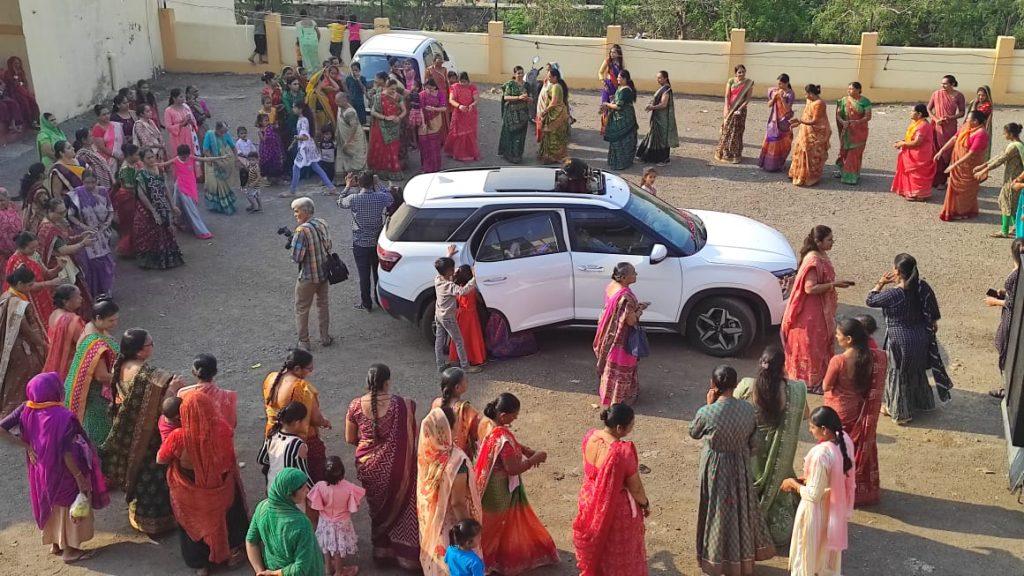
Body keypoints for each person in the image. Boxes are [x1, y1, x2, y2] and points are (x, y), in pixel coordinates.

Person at [0, 372, 109, 563]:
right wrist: (79, 477)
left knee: (51, 502)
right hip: (65, 471)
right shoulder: (63, 417)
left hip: (40, 469)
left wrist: (26, 446)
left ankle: (56, 543)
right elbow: (66, 453)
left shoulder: (26, 408)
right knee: (70, 504)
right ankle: (71, 551)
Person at [690, 365, 776, 575]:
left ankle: (715, 559)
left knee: (716, 510)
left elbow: (694, 432)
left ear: (713, 384)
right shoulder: (748, 409)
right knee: (740, 510)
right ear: (736, 385)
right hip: (740, 466)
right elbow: (755, 444)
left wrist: (708, 404)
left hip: (715, 468)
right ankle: (741, 559)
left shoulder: (707, 412)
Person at [101, 328, 182, 535]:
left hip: (127, 430)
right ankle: (160, 522)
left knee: (137, 474)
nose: (153, 346)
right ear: (139, 352)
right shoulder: (149, 376)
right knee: (154, 474)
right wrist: (172, 389)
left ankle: (139, 517)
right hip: (148, 436)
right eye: (149, 343)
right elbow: (164, 407)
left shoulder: (120, 365)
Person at [156, 392, 248, 575]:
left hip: (190, 492)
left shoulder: (178, 437)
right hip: (221, 488)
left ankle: (201, 565)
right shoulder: (222, 428)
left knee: (192, 524)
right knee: (228, 515)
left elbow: (161, 459)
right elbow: (229, 458)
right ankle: (231, 552)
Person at [344, 363, 421, 570]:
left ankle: (381, 551)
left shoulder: (355, 405)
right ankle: (407, 557)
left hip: (369, 467)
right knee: (405, 509)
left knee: (377, 509)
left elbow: (350, 438)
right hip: (398, 468)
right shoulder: (403, 405)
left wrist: (372, 446)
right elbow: (413, 436)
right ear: (387, 382)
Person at [474, 393, 558, 574]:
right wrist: (534, 458)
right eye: (514, 415)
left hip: (487, 484)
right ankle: (487, 562)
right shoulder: (502, 437)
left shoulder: (487, 425)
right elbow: (512, 468)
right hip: (498, 489)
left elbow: (513, 444)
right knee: (496, 525)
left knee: (493, 525)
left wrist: (526, 451)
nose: (516, 418)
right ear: (503, 416)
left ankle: (490, 558)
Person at [735, 346, 807, 548]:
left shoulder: (748, 386)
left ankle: (745, 528)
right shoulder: (795, 390)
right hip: (779, 456)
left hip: (751, 452)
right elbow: (807, 414)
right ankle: (775, 530)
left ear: (761, 364)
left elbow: (733, 406)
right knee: (781, 485)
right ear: (783, 366)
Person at [868, 254, 950, 425]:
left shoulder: (894, 294)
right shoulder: (922, 286)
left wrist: (880, 283)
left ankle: (899, 411)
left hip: (899, 341)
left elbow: (870, 300)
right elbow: (933, 311)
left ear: (897, 271)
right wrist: (932, 324)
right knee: (916, 371)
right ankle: (922, 403)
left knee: (897, 374)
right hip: (920, 338)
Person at [572, 403, 648, 575]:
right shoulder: (622, 452)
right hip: (613, 507)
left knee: (599, 542)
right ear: (620, 428)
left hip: (589, 498)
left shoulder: (590, 436)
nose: (632, 428)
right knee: (618, 548)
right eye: (631, 425)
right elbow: (635, 487)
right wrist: (644, 504)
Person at [782, 406, 855, 576]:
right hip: (832, 511)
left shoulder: (821, 454)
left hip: (815, 513)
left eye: (812, 427)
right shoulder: (844, 440)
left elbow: (814, 494)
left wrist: (792, 483)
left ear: (824, 429)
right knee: (824, 559)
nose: (810, 430)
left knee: (808, 557)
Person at [782, 225, 855, 393]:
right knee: (811, 346)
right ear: (818, 242)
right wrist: (834, 285)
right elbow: (809, 288)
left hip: (821, 310)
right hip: (811, 313)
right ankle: (809, 383)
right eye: (829, 240)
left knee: (821, 343)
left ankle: (820, 378)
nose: (832, 242)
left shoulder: (821, 254)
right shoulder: (813, 261)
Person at [822, 317, 886, 507]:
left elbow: (826, 385)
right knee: (856, 449)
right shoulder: (875, 357)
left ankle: (836, 489)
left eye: (838, 335)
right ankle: (860, 489)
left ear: (849, 339)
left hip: (839, 412)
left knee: (836, 451)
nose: (835, 337)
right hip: (860, 411)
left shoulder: (839, 361)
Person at [416, 406, 483, 576]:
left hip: (433, 519)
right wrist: (469, 532)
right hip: (452, 523)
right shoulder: (455, 462)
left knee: (445, 561)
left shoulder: (428, 453)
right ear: (448, 428)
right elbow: (458, 503)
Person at [262, 348, 330, 481]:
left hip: (273, 435)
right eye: (309, 369)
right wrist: (325, 422)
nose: (311, 372)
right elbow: (315, 419)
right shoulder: (301, 387)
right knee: (312, 475)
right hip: (299, 439)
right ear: (298, 368)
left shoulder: (271, 378)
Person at [245, 468, 325, 576]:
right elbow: (300, 569)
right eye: (302, 488)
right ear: (289, 494)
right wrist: (274, 574)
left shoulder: (262, 508)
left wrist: (261, 572)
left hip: (272, 567)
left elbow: (251, 542)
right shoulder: (301, 524)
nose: (307, 490)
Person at [63, 298, 120, 444]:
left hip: (94, 390)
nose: (115, 324)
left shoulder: (91, 327)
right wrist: (127, 378)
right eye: (111, 321)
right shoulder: (94, 342)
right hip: (95, 394)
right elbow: (101, 376)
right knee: (100, 430)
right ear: (98, 318)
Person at [338, 172, 393, 312]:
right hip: (376, 241)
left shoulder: (354, 198)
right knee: (377, 273)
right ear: (372, 183)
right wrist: (378, 184)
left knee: (364, 275)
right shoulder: (380, 197)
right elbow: (391, 198)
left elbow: (340, 201)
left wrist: (347, 186)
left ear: (359, 183)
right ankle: (380, 300)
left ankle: (366, 303)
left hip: (360, 242)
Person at [594, 262, 647, 406]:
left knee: (610, 365)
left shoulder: (611, 286)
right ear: (624, 277)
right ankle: (620, 398)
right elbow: (630, 321)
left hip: (608, 334)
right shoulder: (626, 297)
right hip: (621, 337)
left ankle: (607, 393)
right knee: (622, 366)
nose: (636, 275)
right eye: (633, 273)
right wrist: (640, 309)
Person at [36, 199, 95, 320]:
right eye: (60, 213)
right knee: (70, 298)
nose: (63, 215)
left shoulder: (53, 223)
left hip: (63, 266)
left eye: (64, 212)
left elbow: (66, 239)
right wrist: (83, 244)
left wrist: (79, 237)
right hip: (60, 270)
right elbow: (62, 250)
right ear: (50, 211)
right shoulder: (48, 229)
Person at [0, 267, 47, 414]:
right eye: (29, 285)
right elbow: (26, 330)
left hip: (12, 347)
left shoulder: (6, 295)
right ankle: (15, 414)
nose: (31, 288)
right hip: (19, 350)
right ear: (20, 284)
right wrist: (43, 344)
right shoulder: (17, 303)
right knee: (23, 379)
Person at [308, 456, 365, 576]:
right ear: (342, 472)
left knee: (327, 546)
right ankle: (339, 572)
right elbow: (356, 505)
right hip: (342, 523)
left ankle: (328, 569)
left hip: (325, 522)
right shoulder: (349, 487)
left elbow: (312, 503)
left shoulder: (319, 486)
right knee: (338, 549)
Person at [289, 196, 334, 349]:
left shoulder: (301, 231)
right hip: (324, 272)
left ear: (305, 212)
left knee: (302, 308)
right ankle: (325, 337)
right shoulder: (322, 223)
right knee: (323, 304)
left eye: (296, 211)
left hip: (308, 276)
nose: (295, 215)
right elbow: (329, 244)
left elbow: (296, 257)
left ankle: (304, 341)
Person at [134, 148, 185, 270]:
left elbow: (165, 188)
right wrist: (153, 211)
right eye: (148, 158)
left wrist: (172, 206)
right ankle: (152, 261)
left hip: (162, 206)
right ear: (142, 160)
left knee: (166, 231)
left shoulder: (159, 170)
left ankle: (167, 258)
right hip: (149, 209)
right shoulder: (141, 175)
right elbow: (142, 195)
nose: (152, 159)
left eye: (153, 157)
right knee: (152, 234)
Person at [67, 171, 116, 297]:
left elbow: (110, 210)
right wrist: (84, 227)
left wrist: (107, 223)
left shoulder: (103, 192)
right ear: (82, 182)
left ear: (97, 181)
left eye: (93, 182)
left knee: (106, 263)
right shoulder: (77, 194)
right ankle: (94, 292)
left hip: (102, 233)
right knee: (91, 265)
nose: (90, 185)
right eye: (87, 183)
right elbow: (71, 215)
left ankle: (107, 290)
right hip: (86, 234)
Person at [434, 246, 482, 373]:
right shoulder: (449, 285)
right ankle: (466, 367)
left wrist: (448, 255)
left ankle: (440, 365)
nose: (455, 271)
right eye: (453, 269)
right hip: (448, 317)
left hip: (438, 314)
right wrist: (474, 278)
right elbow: (463, 291)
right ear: (449, 271)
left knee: (439, 340)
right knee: (459, 341)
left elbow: (443, 268)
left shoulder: (438, 278)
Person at [4, 231, 63, 328]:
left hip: (42, 295)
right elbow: (28, 286)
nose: (35, 250)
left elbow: (47, 273)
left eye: (36, 247)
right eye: (31, 248)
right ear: (21, 247)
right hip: (30, 301)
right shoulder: (17, 262)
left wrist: (59, 268)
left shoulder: (34, 255)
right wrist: (50, 283)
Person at [937, 109, 989, 221]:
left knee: (966, 191)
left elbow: (971, 154)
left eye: (969, 118)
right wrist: (941, 151)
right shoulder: (966, 128)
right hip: (958, 164)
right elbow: (954, 138)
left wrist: (954, 165)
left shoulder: (981, 134)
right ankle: (953, 210)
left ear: (975, 121)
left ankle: (964, 211)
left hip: (969, 167)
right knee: (954, 189)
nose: (966, 120)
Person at [988, 238, 1023, 400]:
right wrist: (1004, 291)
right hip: (1013, 317)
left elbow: (1013, 302)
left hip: (1011, 318)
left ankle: (1006, 389)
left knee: (1005, 349)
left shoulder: (1018, 274)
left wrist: (995, 301)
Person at [976, 122, 1024, 237]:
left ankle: (1004, 230)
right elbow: (999, 156)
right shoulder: (1018, 144)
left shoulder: (1014, 147)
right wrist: (983, 165)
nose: (1003, 135)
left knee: (1006, 202)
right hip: (1014, 178)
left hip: (1013, 179)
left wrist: (983, 170)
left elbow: (1000, 160)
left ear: (1011, 134)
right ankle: (1016, 227)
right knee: (1013, 204)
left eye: (1005, 133)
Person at [165, 144, 216, 240]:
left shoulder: (191, 158)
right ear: (179, 155)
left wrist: (220, 158)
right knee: (191, 209)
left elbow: (205, 159)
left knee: (179, 205)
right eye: (182, 156)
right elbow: (164, 164)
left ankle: (179, 222)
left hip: (188, 186)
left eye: (186, 156)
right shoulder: (176, 160)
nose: (184, 158)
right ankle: (201, 231)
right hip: (181, 186)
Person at [258, 401, 313, 488]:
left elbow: (261, 459)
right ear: (297, 423)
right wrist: (315, 493)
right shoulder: (297, 444)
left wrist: (277, 463)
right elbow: (303, 475)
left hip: (272, 489)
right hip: (288, 494)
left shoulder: (272, 434)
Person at [288, 103, 338, 197]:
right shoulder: (304, 119)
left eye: (294, 107)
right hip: (309, 146)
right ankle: (332, 188)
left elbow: (305, 136)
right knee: (315, 167)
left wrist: (296, 137)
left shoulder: (303, 120)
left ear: (300, 109)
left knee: (296, 167)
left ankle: (292, 191)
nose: (293, 109)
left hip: (305, 147)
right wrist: (293, 143)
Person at [176, 353, 238, 430]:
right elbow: (232, 424)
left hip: (192, 439)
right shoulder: (228, 396)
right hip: (220, 440)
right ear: (215, 372)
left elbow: (178, 420)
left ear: (193, 372)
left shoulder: (183, 393)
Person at [891, 104, 938, 201]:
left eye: (912, 111)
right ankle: (911, 192)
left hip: (920, 154)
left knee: (917, 174)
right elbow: (911, 137)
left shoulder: (923, 125)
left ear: (919, 114)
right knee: (911, 173)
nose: (910, 113)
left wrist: (902, 144)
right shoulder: (915, 123)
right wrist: (902, 141)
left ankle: (920, 194)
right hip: (912, 152)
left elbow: (917, 142)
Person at [789, 84, 832, 186]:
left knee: (811, 153)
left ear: (811, 94)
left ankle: (810, 177)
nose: (805, 95)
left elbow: (815, 120)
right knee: (799, 150)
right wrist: (798, 123)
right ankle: (798, 175)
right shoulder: (809, 101)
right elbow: (806, 115)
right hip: (805, 130)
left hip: (816, 132)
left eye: (806, 93)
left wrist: (799, 121)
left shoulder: (819, 104)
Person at [928, 75, 966, 188]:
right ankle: (933, 179)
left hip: (950, 127)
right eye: (942, 83)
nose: (942, 86)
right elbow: (928, 109)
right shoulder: (936, 94)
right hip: (937, 127)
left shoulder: (959, 96)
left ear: (952, 84)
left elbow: (962, 112)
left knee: (947, 152)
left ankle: (942, 181)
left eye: (945, 84)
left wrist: (950, 117)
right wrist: (935, 119)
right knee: (935, 151)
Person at [42, 285, 85, 380]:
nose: (81, 298)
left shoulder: (54, 314)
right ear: (65, 301)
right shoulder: (72, 320)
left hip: (56, 362)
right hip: (72, 366)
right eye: (77, 296)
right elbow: (84, 345)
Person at [637, 70, 679, 167]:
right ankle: (650, 157)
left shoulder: (666, 90)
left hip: (663, 118)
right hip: (657, 117)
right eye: (657, 78)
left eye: (660, 78)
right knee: (653, 135)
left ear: (665, 78)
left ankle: (664, 159)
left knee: (662, 138)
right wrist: (651, 104)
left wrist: (652, 107)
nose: (658, 80)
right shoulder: (662, 88)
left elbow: (663, 104)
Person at [833, 81, 872, 184]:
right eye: (848, 88)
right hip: (846, 131)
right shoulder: (843, 100)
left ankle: (850, 177)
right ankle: (843, 171)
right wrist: (843, 122)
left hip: (859, 132)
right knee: (844, 152)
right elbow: (838, 115)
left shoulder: (865, 102)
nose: (849, 91)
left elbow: (868, 117)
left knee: (854, 153)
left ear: (858, 90)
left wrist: (856, 122)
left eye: (852, 89)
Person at [756, 73, 796, 172]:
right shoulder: (774, 91)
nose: (779, 86)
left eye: (781, 84)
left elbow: (788, 109)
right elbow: (769, 105)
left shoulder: (790, 94)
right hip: (773, 121)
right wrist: (774, 98)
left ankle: (779, 164)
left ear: (787, 83)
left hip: (784, 122)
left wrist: (782, 98)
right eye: (778, 84)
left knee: (784, 143)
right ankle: (769, 164)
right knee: (771, 142)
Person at [448, 265, 486, 367]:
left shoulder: (457, 288)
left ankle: (457, 358)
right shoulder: (472, 289)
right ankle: (474, 357)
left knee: (460, 338)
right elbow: (480, 301)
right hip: (471, 316)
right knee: (472, 337)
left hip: (460, 315)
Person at [715, 65, 754, 164]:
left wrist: (740, 109)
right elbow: (727, 95)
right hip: (730, 109)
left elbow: (747, 99)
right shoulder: (731, 81)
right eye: (739, 72)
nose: (742, 74)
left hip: (740, 111)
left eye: (743, 72)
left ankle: (735, 155)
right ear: (735, 73)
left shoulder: (749, 83)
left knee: (736, 132)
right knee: (726, 130)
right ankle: (723, 153)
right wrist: (726, 108)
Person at [602, 70, 638, 171]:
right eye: (618, 77)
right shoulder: (620, 88)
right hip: (619, 117)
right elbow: (617, 101)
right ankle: (616, 161)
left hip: (624, 118)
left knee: (622, 139)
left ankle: (622, 162)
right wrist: (612, 100)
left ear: (625, 79)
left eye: (619, 77)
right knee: (618, 139)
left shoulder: (626, 90)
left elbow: (618, 106)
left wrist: (607, 104)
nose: (617, 79)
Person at [200, 122, 239, 215]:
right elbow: (205, 151)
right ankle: (218, 206)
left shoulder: (226, 134)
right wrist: (217, 161)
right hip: (211, 162)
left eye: (224, 132)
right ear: (216, 129)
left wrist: (236, 159)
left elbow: (234, 147)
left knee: (223, 183)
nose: (223, 134)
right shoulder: (209, 134)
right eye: (221, 132)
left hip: (223, 161)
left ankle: (224, 205)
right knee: (214, 184)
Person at [498, 66, 532, 164]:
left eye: (522, 73)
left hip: (523, 114)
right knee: (511, 134)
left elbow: (531, 98)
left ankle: (518, 155)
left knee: (520, 136)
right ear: (514, 74)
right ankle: (509, 155)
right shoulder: (511, 84)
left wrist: (529, 99)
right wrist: (519, 97)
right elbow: (506, 97)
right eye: (518, 73)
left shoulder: (527, 85)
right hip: (511, 114)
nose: (520, 75)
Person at [164, 88, 200, 176]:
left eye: (183, 96)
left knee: (190, 155)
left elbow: (193, 120)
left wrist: (191, 122)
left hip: (188, 135)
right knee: (179, 156)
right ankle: (180, 177)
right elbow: (168, 127)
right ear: (174, 98)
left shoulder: (186, 107)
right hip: (177, 137)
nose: (183, 98)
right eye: (180, 97)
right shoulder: (168, 111)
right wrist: (181, 124)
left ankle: (191, 175)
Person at [445, 72, 480, 162]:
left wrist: (472, 104)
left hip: (469, 113)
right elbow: (451, 99)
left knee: (469, 133)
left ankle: (469, 153)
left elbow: (476, 99)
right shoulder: (454, 87)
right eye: (461, 81)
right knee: (457, 132)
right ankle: (456, 153)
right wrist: (459, 106)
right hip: (458, 113)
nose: (463, 84)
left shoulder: (472, 87)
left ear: (468, 80)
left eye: (465, 81)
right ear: (458, 80)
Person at [418, 79, 447, 172]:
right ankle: (426, 167)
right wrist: (423, 123)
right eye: (426, 87)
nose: (428, 90)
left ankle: (435, 167)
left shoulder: (440, 94)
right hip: (422, 121)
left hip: (435, 120)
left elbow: (444, 108)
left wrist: (434, 109)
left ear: (435, 86)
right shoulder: (422, 94)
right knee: (424, 144)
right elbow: (421, 109)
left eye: (430, 88)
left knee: (434, 145)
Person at [335, 93, 367, 176]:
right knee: (345, 157)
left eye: (338, 101)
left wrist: (348, 141)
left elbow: (354, 127)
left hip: (354, 139)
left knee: (356, 158)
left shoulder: (350, 113)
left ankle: (359, 179)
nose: (336, 103)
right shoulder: (340, 108)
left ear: (345, 100)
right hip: (344, 137)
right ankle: (348, 178)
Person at [89, 104, 124, 176]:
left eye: (108, 113)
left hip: (121, 155)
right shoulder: (97, 129)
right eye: (104, 114)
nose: (107, 116)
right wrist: (116, 156)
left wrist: (122, 154)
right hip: (107, 159)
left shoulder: (115, 125)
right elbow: (102, 148)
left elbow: (121, 140)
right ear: (98, 117)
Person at [235, 126, 262, 213]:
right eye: (241, 133)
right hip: (244, 159)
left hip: (253, 183)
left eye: (244, 133)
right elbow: (238, 152)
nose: (243, 135)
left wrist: (254, 182)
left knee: (250, 195)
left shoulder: (249, 141)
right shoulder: (238, 143)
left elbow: (253, 149)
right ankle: (258, 206)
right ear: (238, 135)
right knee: (243, 173)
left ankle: (254, 207)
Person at [598, 45, 624, 134]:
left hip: (617, 87)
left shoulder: (621, 63)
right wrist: (603, 82)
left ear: (618, 54)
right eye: (611, 52)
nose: (612, 54)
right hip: (608, 86)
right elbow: (600, 72)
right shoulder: (608, 61)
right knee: (605, 106)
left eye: (614, 52)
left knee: (615, 107)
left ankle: (613, 128)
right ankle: (604, 128)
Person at [257, 112, 285, 185]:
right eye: (265, 120)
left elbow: (276, 130)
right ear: (260, 122)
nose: (267, 122)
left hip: (273, 149)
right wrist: (266, 132)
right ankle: (270, 180)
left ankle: (277, 179)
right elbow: (263, 139)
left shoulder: (270, 127)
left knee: (275, 163)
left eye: (267, 120)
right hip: (266, 150)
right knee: (268, 164)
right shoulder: (260, 131)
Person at [967, 85, 994, 160]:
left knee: (976, 149)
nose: (981, 97)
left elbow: (974, 115)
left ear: (987, 96)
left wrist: (974, 105)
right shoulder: (977, 102)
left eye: (983, 95)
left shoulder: (987, 105)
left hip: (980, 129)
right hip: (972, 127)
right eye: (979, 95)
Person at [20, 162, 48, 233]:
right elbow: (48, 205)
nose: (47, 171)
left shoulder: (30, 186)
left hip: (32, 220)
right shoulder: (40, 191)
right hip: (40, 222)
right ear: (41, 175)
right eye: (45, 170)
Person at [0, 189, 21, 264]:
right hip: (2, 253)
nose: (0, 203)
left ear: (7, 199)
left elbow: (19, 228)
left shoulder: (13, 209)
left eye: (2, 200)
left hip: (16, 249)